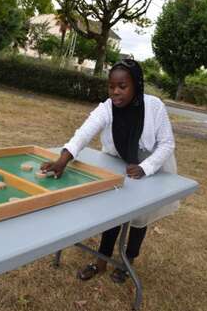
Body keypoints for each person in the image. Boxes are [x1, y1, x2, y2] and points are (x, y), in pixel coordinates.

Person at [41, 59, 177, 284]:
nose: (115, 92)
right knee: (114, 213)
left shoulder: (154, 107)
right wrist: (62, 160)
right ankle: (101, 260)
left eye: (122, 86)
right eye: (111, 86)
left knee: (139, 217)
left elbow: (167, 144)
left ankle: (127, 262)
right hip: (119, 163)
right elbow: (83, 133)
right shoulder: (107, 108)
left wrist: (146, 167)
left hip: (149, 165)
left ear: (136, 85)